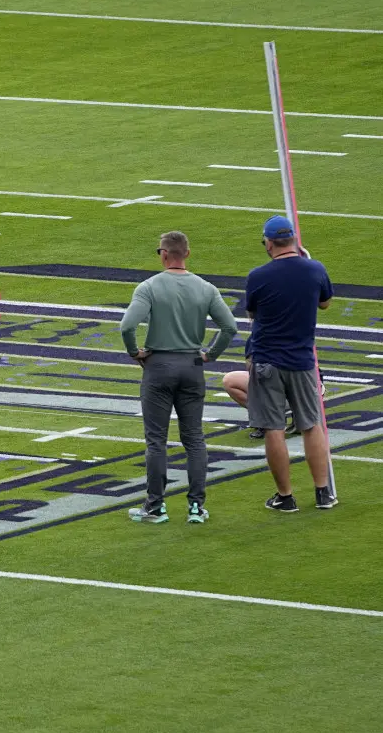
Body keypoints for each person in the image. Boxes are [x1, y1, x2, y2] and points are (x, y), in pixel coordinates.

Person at [120, 231, 237, 524]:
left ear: (163, 254)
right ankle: (196, 506)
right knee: (194, 439)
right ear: (187, 253)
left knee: (157, 441)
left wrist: (136, 353)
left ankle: (156, 506)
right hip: (192, 364)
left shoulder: (149, 287)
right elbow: (230, 327)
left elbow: (127, 326)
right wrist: (211, 355)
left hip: (158, 366)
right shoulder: (206, 288)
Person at [245, 216, 336, 512]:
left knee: (273, 429)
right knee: (312, 425)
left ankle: (285, 496)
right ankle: (323, 492)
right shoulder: (314, 268)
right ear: (294, 240)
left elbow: (253, 315)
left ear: (269, 243)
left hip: (267, 359)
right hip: (301, 359)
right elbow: (325, 303)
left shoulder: (258, 276)